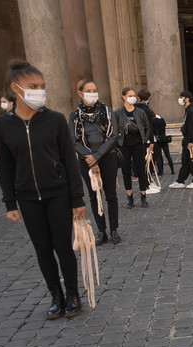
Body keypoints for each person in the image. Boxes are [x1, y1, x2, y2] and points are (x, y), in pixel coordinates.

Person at [0, 60, 86, 319]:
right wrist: (10, 202)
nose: (40, 91)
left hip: (58, 192)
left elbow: (70, 160)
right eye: (33, 86)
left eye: (42, 86)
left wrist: (77, 197)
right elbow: (4, 165)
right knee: (42, 249)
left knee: (63, 247)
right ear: (15, 89)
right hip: (27, 197)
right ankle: (55, 295)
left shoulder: (55, 120)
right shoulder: (2, 125)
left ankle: (73, 294)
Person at [68, 79, 120, 245]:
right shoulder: (74, 115)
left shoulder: (107, 110)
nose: (92, 93)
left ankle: (114, 229)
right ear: (80, 93)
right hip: (85, 160)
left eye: (95, 90)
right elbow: (74, 139)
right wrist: (89, 158)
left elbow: (113, 136)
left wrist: (97, 156)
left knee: (111, 194)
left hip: (107, 157)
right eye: (88, 90)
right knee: (93, 195)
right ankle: (101, 231)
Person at [113, 87, 153, 208]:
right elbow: (114, 130)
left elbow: (148, 127)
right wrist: (117, 144)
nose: (132, 97)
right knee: (126, 172)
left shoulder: (140, 112)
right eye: (129, 95)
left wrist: (145, 140)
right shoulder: (118, 113)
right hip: (124, 146)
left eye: (133, 95)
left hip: (138, 145)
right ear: (123, 97)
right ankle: (130, 197)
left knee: (141, 171)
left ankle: (143, 196)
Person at [170, 91, 193, 189]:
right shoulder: (189, 110)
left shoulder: (192, 111)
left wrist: (190, 141)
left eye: (181, 97)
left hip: (191, 139)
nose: (180, 99)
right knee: (185, 161)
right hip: (188, 138)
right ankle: (181, 180)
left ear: (187, 98)